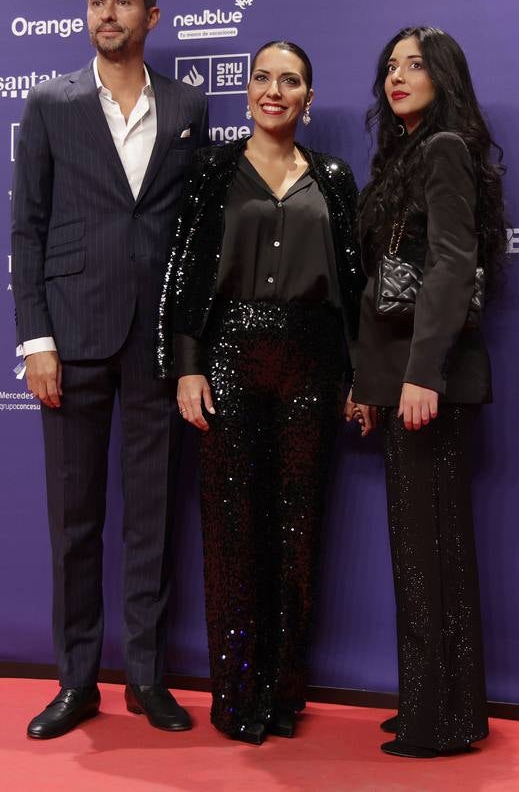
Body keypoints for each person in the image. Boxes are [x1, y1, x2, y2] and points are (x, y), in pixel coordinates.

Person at [10, 0, 209, 739]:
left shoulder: (188, 106)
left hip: (156, 337)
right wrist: (36, 339)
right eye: (96, 1)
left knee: (152, 517)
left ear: (150, 16)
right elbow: (26, 228)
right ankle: (76, 680)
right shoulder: (50, 104)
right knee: (74, 521)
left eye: (124, 1)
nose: (108, 14)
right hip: (71, 335)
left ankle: (149, 679)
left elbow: (192, 234)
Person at [157, 41, 366, 745]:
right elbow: (184, 274)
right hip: (230, 359)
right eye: (262, 78)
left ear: (308, 97)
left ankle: (282, 692)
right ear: (246, 91)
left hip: (312, 362)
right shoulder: (214, 171)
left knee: (297, 528)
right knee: (232, 528)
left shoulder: (335, 178)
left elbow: (355, 287)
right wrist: (186, 365)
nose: (274, 90)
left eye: (291, 81)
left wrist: (360, 375)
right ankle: (236, 691)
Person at [350, 26, 507, 758]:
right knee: (425, 546)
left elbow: (450, 264)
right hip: (402, 377)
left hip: (427, 380)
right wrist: (370, 379)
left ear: (444, 76)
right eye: (390, 66)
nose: (398, 75)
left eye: (414, 65)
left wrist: (420, 373)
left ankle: (434, 717)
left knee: (426, 551)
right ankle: (445, 703)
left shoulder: (442, 150)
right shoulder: (404, 158)